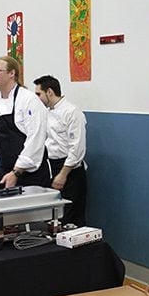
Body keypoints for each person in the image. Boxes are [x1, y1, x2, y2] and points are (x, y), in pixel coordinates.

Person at [0, 56, 50, 189]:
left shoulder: (29, 100)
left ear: (12, 73)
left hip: (31, 177)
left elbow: (35, 140)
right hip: (6, 175)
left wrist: (16, 172)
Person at [33, 75, 87, 226]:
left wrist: (63, 174)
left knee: (70, 217)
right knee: (53, 218)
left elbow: (77, 148)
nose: (37, 98)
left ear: (49, 92)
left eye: (39, 94)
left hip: (70, 170)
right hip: (50, 166)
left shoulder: (72, 112)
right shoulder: (45, 112)